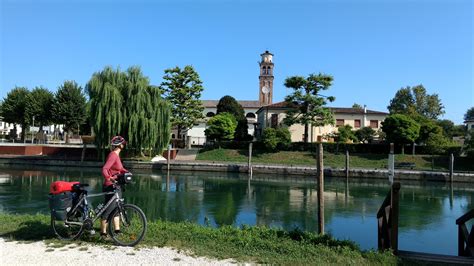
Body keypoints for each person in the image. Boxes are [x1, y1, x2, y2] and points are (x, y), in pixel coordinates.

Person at [100, 135, 128, 237]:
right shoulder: (113, 155)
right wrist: (109, 177)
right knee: (108, 210)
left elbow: (119, 169)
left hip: (116, 185)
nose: (124, 145)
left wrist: (127, 172)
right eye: (123, 143)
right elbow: (105, 169)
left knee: (117, 208)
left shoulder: (116, 155)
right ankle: (103, 233)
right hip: (110, 185)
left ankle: (117, 230)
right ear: (120, 145)